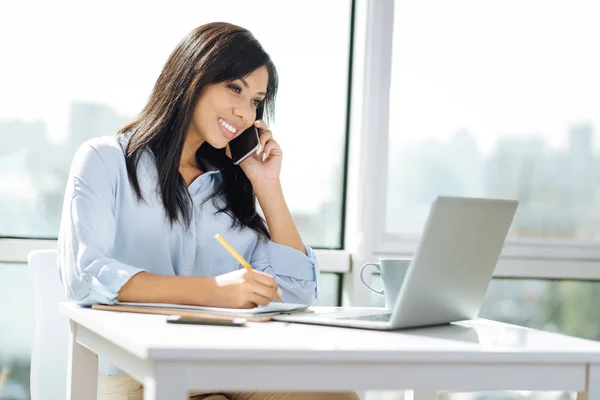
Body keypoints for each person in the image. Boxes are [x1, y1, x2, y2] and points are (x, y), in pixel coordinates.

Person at [57, 22, 359, 400]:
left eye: (255, 101)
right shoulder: (106, 160)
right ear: (193, 77)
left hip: (227, 366)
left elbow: (296, 292)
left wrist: (267, 185)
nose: (244, 112)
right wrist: (215, 292)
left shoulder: (228, 187)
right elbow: (88, 277)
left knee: (337, 396)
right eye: (235, 88)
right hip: (134, 370)